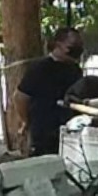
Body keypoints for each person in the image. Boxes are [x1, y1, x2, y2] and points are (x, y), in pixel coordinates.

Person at [15, 26, 85, 156]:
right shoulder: (39, 68)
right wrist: (26, 121)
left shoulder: (75, 70)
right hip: (43, 131)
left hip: (69, 131)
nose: (77, 51)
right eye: (72, 46)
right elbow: (20, 97)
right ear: (58, 45)